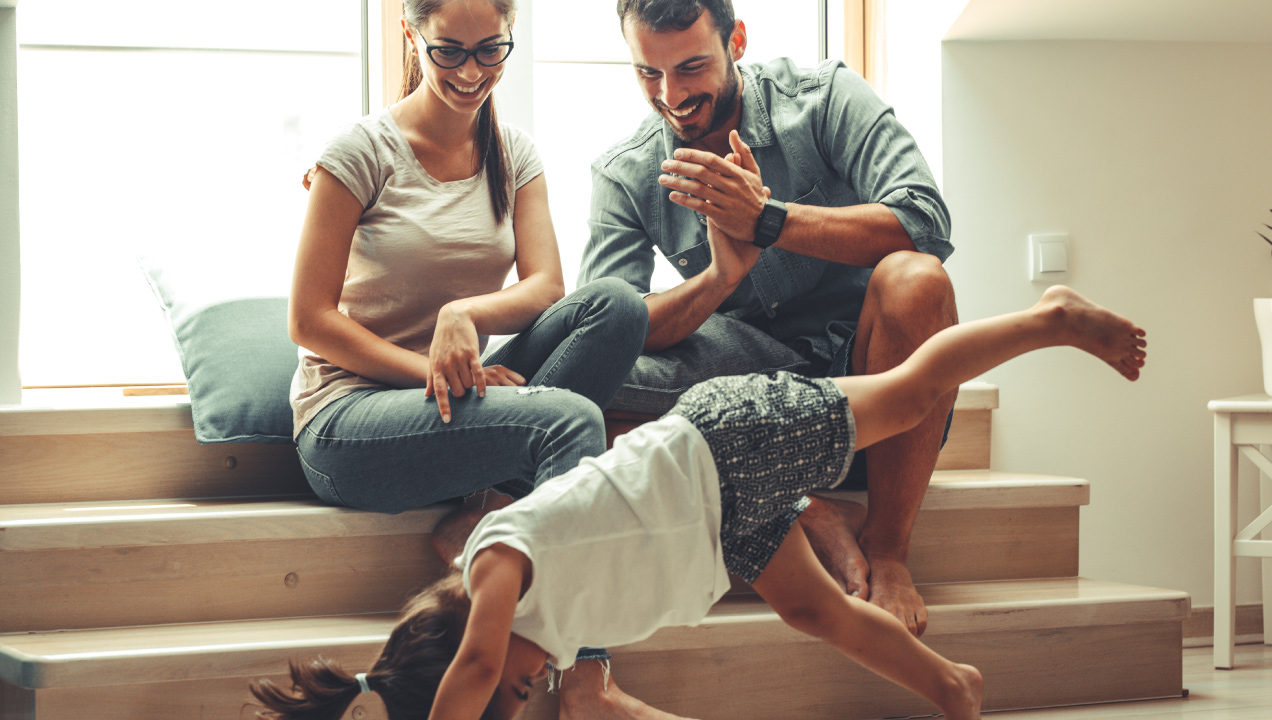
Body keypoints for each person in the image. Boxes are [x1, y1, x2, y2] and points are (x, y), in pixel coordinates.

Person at [249, 285, 1147, 720]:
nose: (530, 687)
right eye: (528, 697)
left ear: (463, 650)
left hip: (728, 443)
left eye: (517, 688)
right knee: (818, 613)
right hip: (724, 528)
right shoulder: (555, 640)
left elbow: (478, 668)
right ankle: (954, 688)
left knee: (909, 397)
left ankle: (1051, 318)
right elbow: (561, 692)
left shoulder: (494, 567)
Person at [288, 0, 656, 715]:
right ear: (411, 35)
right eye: (448, 51)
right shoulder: (359, 153)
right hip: (347, 421)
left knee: (616, 307)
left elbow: (548, 286)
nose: (470, 71)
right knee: (569, 423)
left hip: (454, 402)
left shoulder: (512, 152)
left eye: (491, 50)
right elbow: (310, 319)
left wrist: (465, 316)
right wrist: (434, 366)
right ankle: (586, 672)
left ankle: (485, 514)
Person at [579, 0, 956, 638]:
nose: (671, 95)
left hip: (869, 391)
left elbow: (925, 220)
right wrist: (719, 278)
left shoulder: (827, 97)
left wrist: (770, 221)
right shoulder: (626, 171)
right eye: (649, 73)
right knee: (584, 381)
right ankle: (804, 508)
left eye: (692, 67)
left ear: (738, 42)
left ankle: (889, 551)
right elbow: (610, 325)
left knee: (917, 278)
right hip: (746, 394)